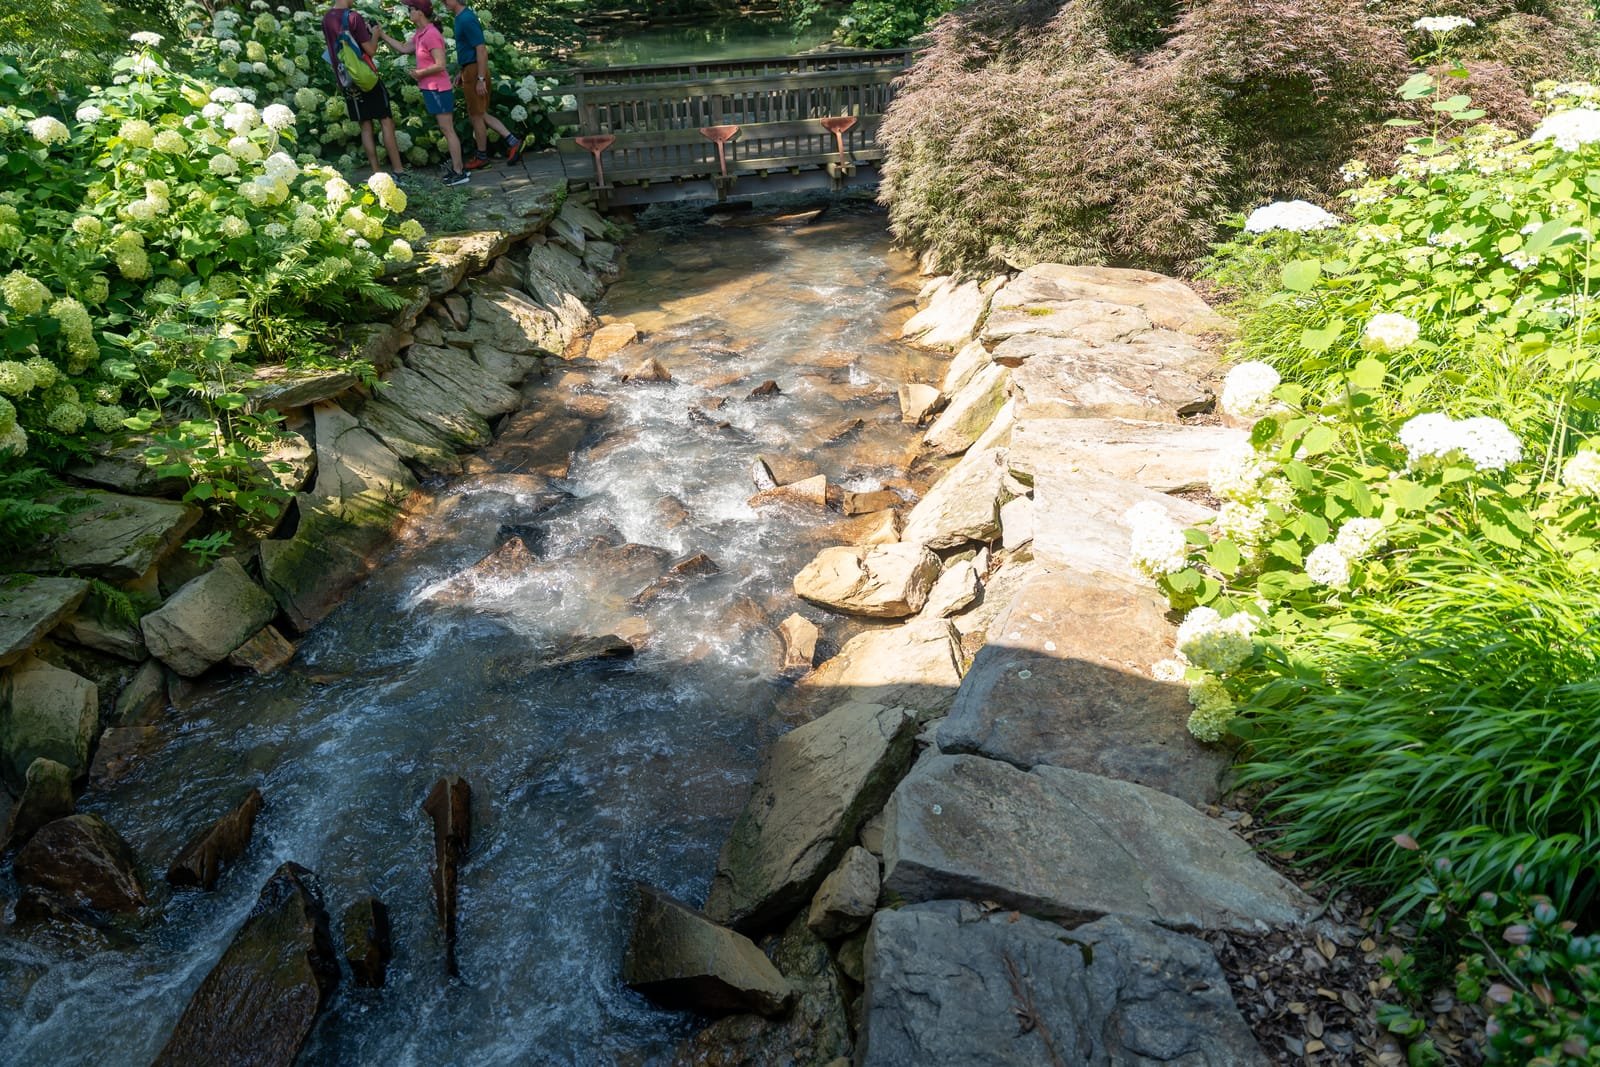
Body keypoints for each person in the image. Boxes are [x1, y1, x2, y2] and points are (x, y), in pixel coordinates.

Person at [376, 0, 469, 185]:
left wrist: (420, 73)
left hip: (439, 89)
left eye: (411, 9)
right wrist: (382, 35)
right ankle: (458, 169)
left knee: (447, 129)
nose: (408, 12)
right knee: (445, 129)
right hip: (431, 88)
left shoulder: (431, 34)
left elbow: (440, 64)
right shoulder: (421, 33)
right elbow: (403, 48)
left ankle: (460, 172)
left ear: (420, 12)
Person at [322, 0, 405, 176]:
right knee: (386, 120)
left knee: (365, 126)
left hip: (346, 79)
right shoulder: (353, 17)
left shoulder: (327, 18)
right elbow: (371, 50)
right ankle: (398, 170)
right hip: (366, 77)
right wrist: (375, 33)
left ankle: (376, 173)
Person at [441, 0, 523, 170]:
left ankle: (482, 156)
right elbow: (468, 50)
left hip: (475, 71)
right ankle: (511, 141)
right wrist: (462, 72)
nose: (443, 2)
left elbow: (481, 50)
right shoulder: (460, 17)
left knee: (477, 115)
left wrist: (480, 79)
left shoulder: (466, 19)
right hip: (469, 70)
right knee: (479, 113)